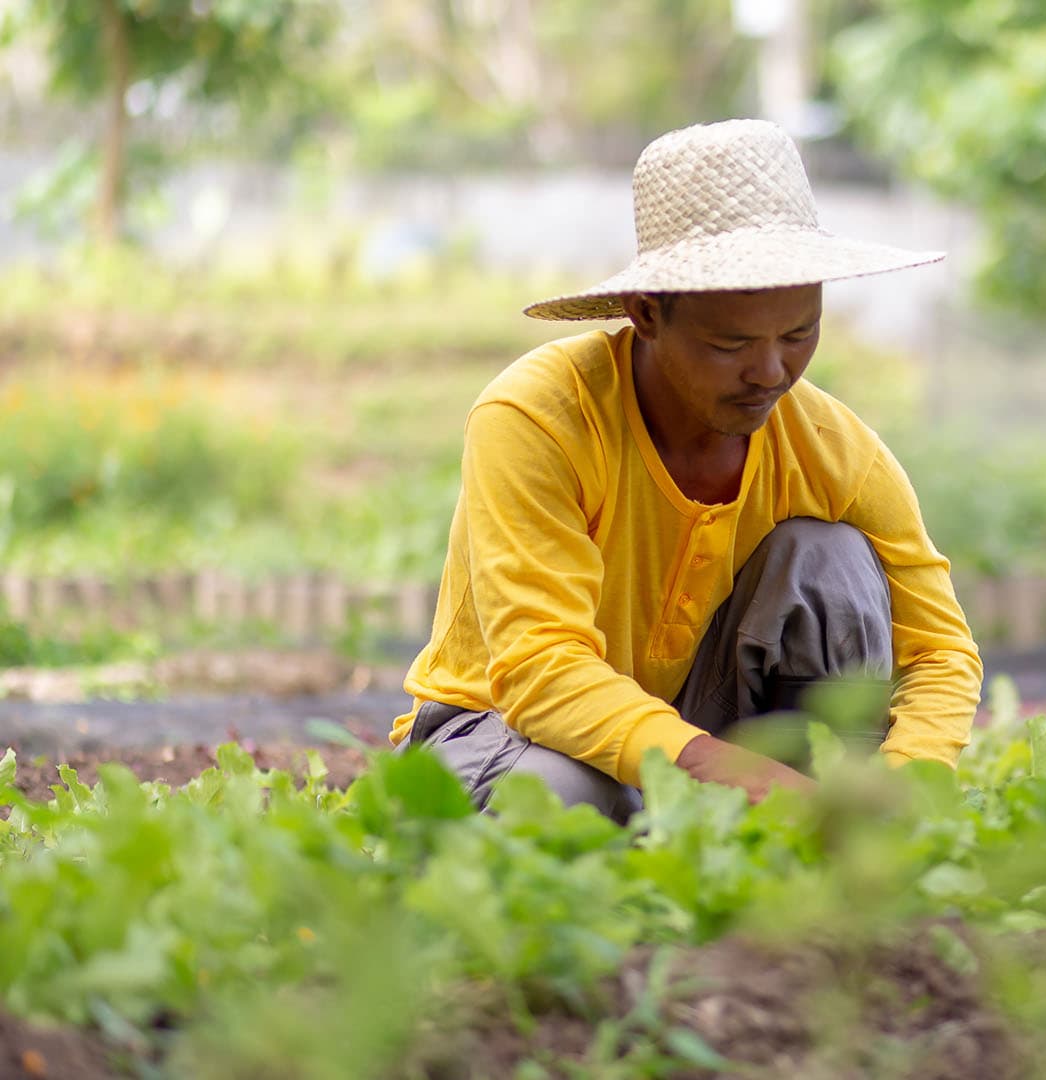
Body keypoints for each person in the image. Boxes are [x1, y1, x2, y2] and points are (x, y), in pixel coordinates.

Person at [388, 120, 982, 819]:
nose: (771, 372)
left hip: (696, 727)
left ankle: (833, 830)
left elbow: (941, 650)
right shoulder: (541, 416)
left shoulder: (832, 446)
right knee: (567, 799)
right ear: (646, 313)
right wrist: (723, 772)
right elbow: (539, 672)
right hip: (503, 729)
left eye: (799, 334)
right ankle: (715, 825)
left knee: (833, 560)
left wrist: (905, 784)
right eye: (730, 343)